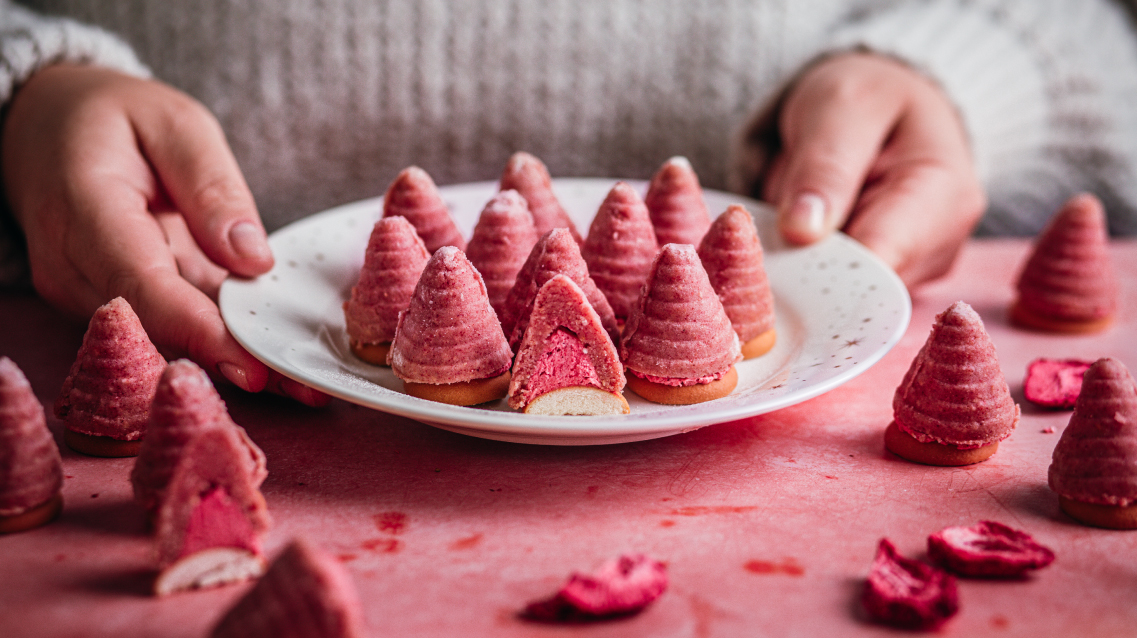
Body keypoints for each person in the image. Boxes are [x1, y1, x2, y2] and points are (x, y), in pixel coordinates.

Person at [2, 0, 1136, 404]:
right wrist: (25, 88)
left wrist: (962, 72)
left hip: (776, 429)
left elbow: (1097, 38)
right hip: (212, 346)